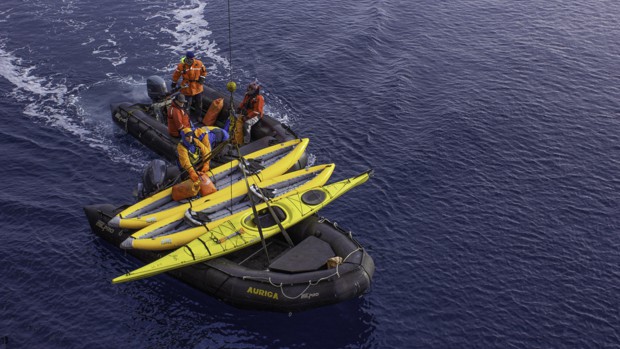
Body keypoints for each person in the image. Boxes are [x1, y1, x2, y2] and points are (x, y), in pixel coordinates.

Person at [172, 51, 207, 121]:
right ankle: (186, 118)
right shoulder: (181, 66)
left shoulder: (199, 63)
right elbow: (176, 75)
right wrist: (174, 82)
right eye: (189, 59)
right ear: (186, 58)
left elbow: (204, 72)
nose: (190, 60)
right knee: (187, 105)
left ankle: (198, 116)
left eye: (192, 59)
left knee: (199, 104)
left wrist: (202, 78)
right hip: (187, 88)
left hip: (198, 87)